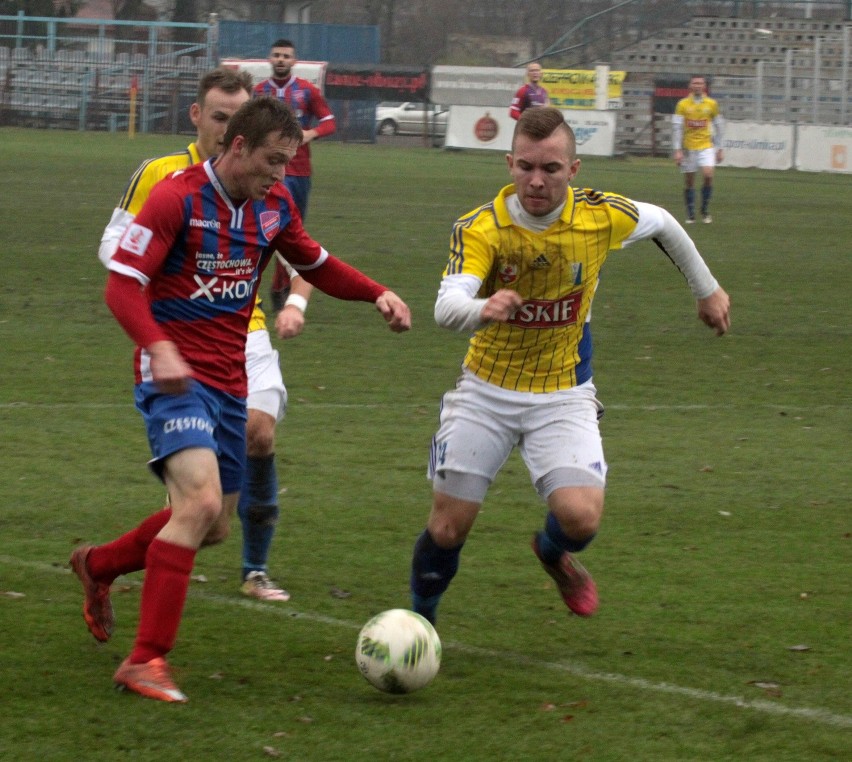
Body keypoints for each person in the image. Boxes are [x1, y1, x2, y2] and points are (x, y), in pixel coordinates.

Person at [72, 96, 411, 703]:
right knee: (199, 503)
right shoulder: (176, 198)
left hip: (230, 381)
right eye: (273, 162)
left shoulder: (272, 205)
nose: (281, 175)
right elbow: (122, 285)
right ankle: (146, 660)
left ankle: (99, 565)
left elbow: (317, 263)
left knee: (214, 526)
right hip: (173, 378)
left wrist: (377, 293)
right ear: (237, 148)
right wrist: (159, 345)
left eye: (288, 163)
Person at [409, 106, 730, 626]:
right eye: (527, 167)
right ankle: (420, 625)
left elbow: (665, 223)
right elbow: (447, 308)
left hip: (563, 392)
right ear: (510, 164)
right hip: (486, 390)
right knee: (447, 530)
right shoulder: (481, 228)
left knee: (580, 519)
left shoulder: (600, 216)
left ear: (573, 171)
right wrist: (480, 309)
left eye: (551, 169)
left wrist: (706, 289)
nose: (537, 181)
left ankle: (553, 550)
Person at [97, 67, 309, 603]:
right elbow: (116, 252)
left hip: (247, 331)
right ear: (199, 116)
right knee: (202, 507)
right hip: (180, 333)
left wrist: (300, 303)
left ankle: (255, 566)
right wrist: (160, 269)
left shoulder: (266, 179)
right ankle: (127, 589)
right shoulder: (165, 178)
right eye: (219, 116)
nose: (226, 126)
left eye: (236, 116)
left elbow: (303, 255)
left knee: (259, 435)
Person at [253, 38, 336, 310]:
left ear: (293, 60)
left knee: (289, 231)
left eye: (286, 56)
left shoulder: (306, 91)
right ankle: (255, 289)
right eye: (276, 55)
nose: (280, 59)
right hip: (266, 170)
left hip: (299, 172)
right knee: (261, 230)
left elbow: (329, 121)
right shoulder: (259, 92)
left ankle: (279, 286)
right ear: (269, 58)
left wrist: (310, 133)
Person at [672, 75, 724, 224]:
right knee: (689, 181)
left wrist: (720, 148)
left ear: (704, 86)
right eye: (695, 83)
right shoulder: (682, 104)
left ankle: (705, 210)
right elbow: (676, 128)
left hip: (706, 146)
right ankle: (690, 213)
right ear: (690, 86)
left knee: (708, 175)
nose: (698, 85)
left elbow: (719, 126)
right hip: (689, 148)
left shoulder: (712, 104)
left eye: (700, 83)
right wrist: (677, 150)